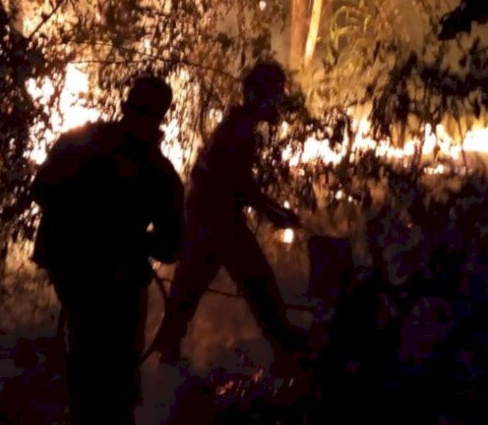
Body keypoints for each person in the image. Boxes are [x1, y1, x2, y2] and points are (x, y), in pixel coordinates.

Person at [32, 74, 184, 425]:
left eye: (143, 109)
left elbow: (171, 244)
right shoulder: (152, 170)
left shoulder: (154, 171)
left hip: (102, 274)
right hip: (85, 272)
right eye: (137, 107)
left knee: (100, 366)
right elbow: (43, 190)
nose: (136, 114)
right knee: (99, 365)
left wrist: (125, 241)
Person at [152, 60, 307, 370]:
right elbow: (239, 184)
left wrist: (275, 211)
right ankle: (284, 345)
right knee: (255, 281)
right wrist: (275, 212)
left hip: (211, 216)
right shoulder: (239, 130)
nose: (276, 103)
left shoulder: (238, 125)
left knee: (193, 285)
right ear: (259, 96)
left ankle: (168, 348)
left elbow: (233, 182)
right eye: (273, 95)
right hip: (216, 220)